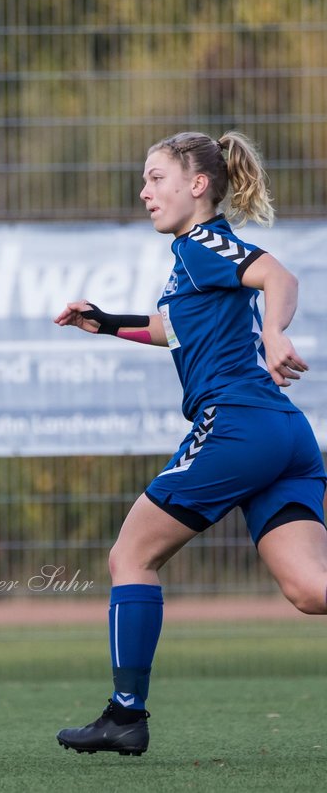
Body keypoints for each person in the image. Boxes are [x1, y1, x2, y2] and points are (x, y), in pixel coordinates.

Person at [53, 131, 327, 756]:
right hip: (283, 434)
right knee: (311, 591)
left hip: (236, 427)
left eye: (155, 177)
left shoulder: (203, 242)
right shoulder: (191, 260)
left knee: (131, 558)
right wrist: (105, 323)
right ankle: (123, 716)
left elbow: (278, 276)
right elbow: (171, 327)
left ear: (197, 185)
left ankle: (125, 716)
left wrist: (278, 334)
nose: (144, 191)